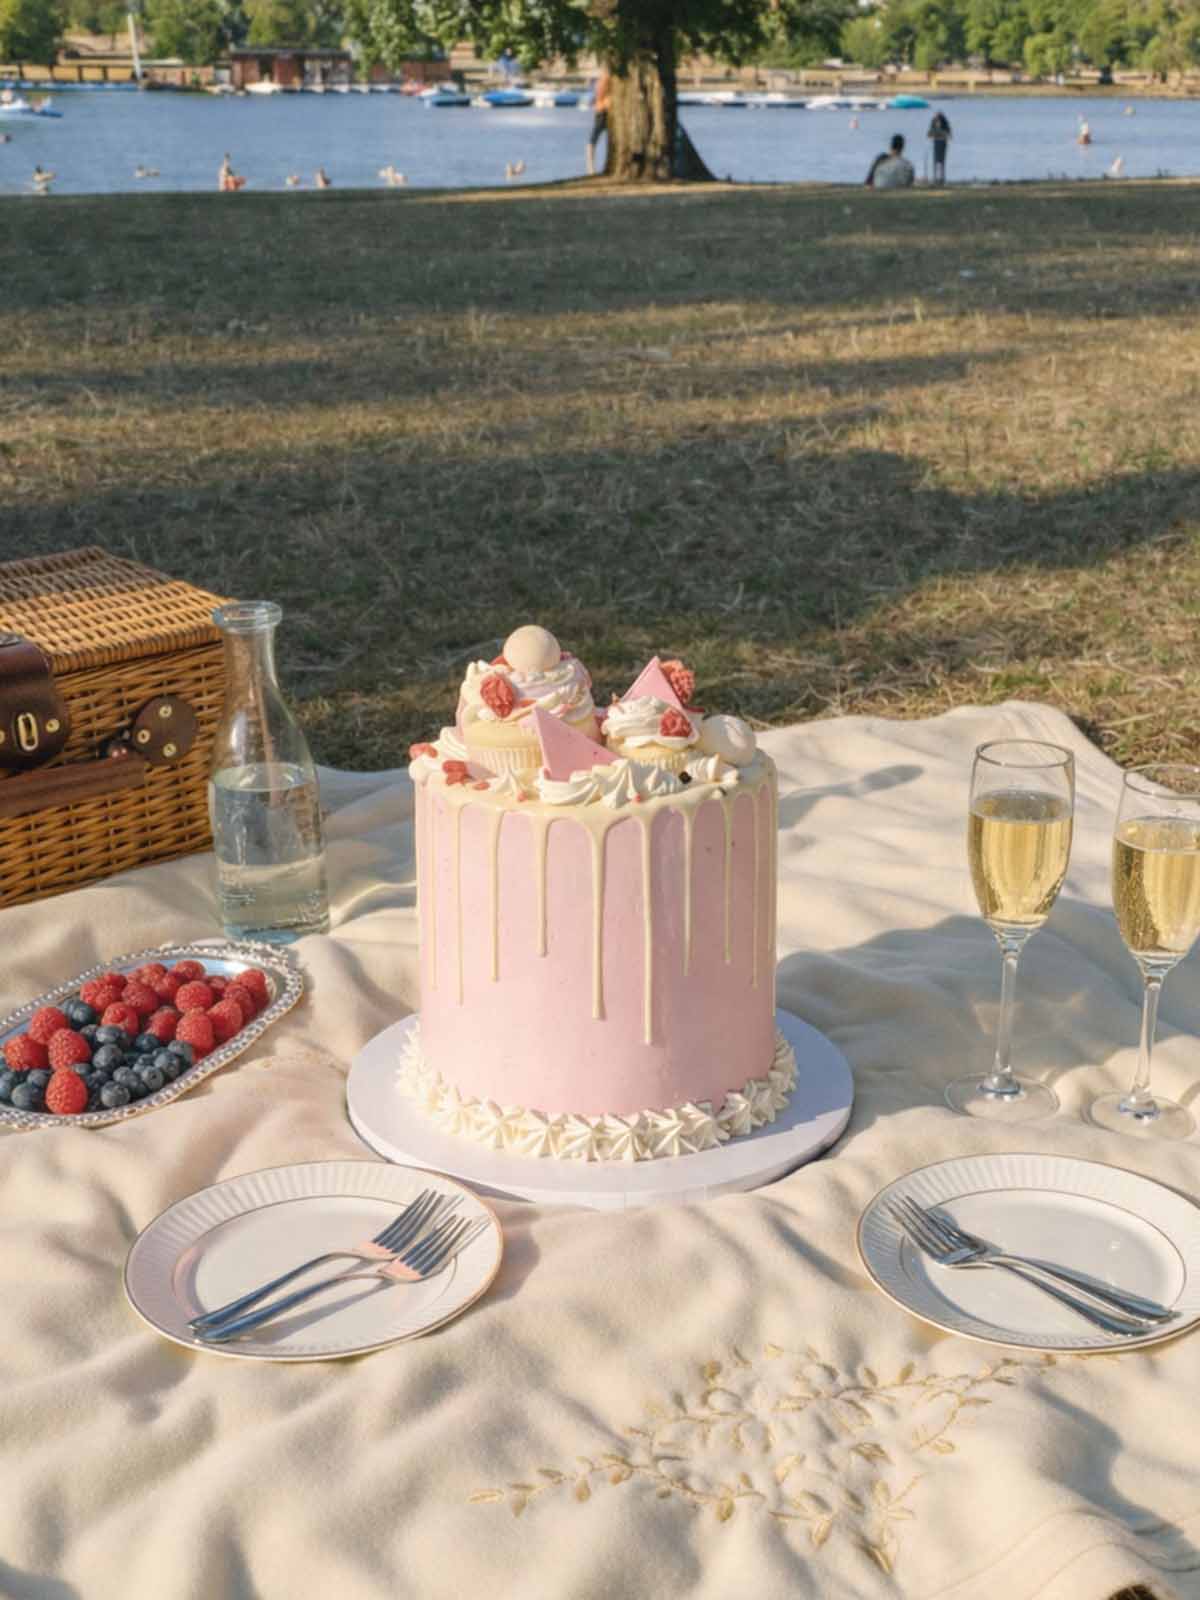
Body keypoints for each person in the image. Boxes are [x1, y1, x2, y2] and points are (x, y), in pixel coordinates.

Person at [586, 68, 611, 177]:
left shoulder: (602, 78)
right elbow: (601, 96)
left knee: (594, 140)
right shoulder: (606, 78)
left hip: (602, 111)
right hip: (603, 111)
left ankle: (591, 168)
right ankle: (591, 168)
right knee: (593, 140)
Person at [927, 110, 951, 185]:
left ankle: (941, 178)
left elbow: (949, 135)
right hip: (936, 143)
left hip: (942, 144)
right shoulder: (933, 123)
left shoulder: (945, 125)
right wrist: (935, 134)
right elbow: (929, 134)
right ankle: (935, 178)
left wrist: (941, 134)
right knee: (936, 161)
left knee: (942, 161)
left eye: (938, 117)